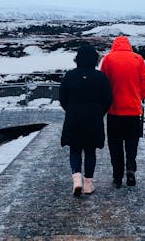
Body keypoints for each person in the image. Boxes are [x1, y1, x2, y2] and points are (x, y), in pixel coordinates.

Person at [59, 44, 112, 196]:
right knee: (90, 151)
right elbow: (108, 99)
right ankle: (88, 184)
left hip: (73, 117)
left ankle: (76, 179)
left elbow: (62, 97)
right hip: (93, 119)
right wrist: (99, 112)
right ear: (95, 59)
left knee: (74, 149)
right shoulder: (101, 77)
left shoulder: (70, 75)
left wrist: (70, 110)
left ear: (77, 59)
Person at [100, 36, 145, 188]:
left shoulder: (108, 59)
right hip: (133, 111)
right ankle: (130, 166)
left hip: (114, 111)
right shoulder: (138, 59)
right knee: (131, 143)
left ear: (114, 45)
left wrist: (106, 102)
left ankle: (117, 176)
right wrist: (138, 97)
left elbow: (102, 83)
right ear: (129, 45)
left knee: (115, 145)